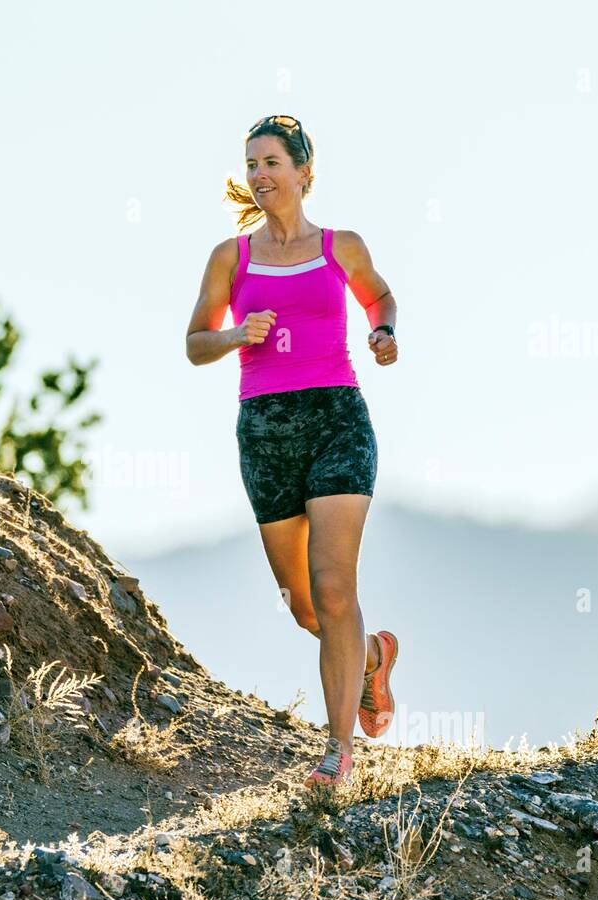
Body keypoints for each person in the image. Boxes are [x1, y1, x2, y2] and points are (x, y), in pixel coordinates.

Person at [184, 114, 400, 788]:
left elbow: (379, 296)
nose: (260, 175)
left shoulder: (341, 246)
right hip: (265, 432)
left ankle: (337, 755)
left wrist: (384, 330)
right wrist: (235, 335)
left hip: (337, 419)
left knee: (336, 589)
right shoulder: (231, 257)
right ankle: (369, 659)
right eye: (251, 165)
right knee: (306, 607)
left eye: (272, 162)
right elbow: (195, 342)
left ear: (304, 172)